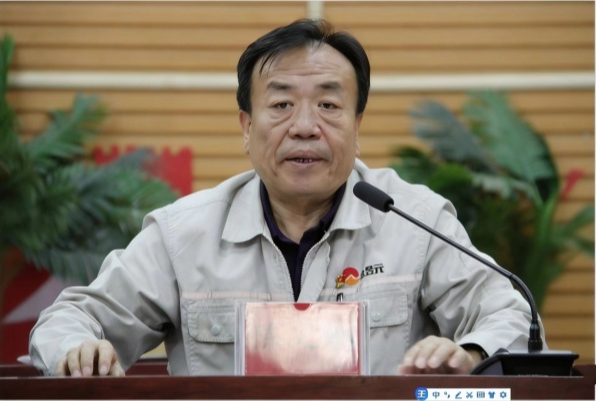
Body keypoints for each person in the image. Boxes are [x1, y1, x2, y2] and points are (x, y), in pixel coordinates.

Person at [29, 18, 540, 377]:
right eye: (281, 105)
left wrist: (472, 354)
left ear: (357, 125)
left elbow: (511, 315)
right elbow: (66, 321)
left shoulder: (414, 220)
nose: (304, 127)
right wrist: (78, 349)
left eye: (328, 105)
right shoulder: (183, 235)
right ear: (246, 127)